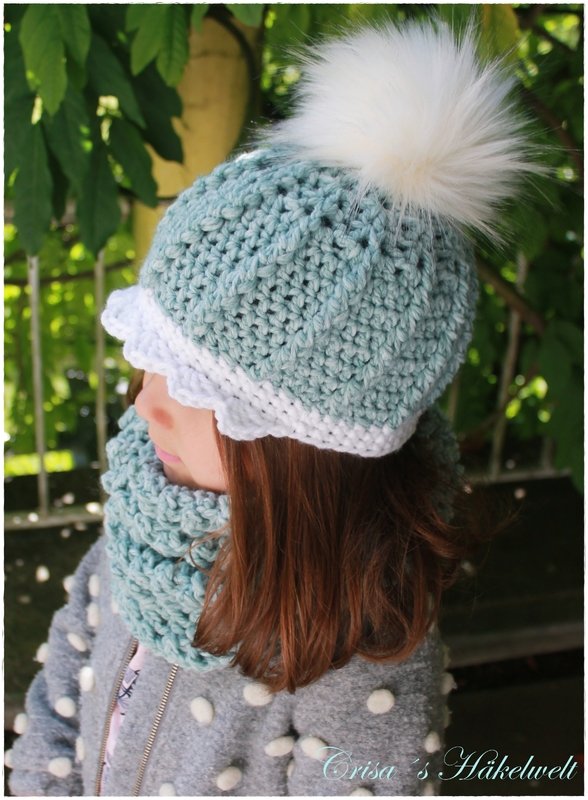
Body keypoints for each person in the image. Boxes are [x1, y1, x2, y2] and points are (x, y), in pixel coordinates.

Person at [8, 18, 535, 797]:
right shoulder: (149, 514)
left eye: (193, 386)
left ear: (305, 449)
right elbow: (59, 696)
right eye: (151, 360)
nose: (146, 405)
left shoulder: (359, 649)